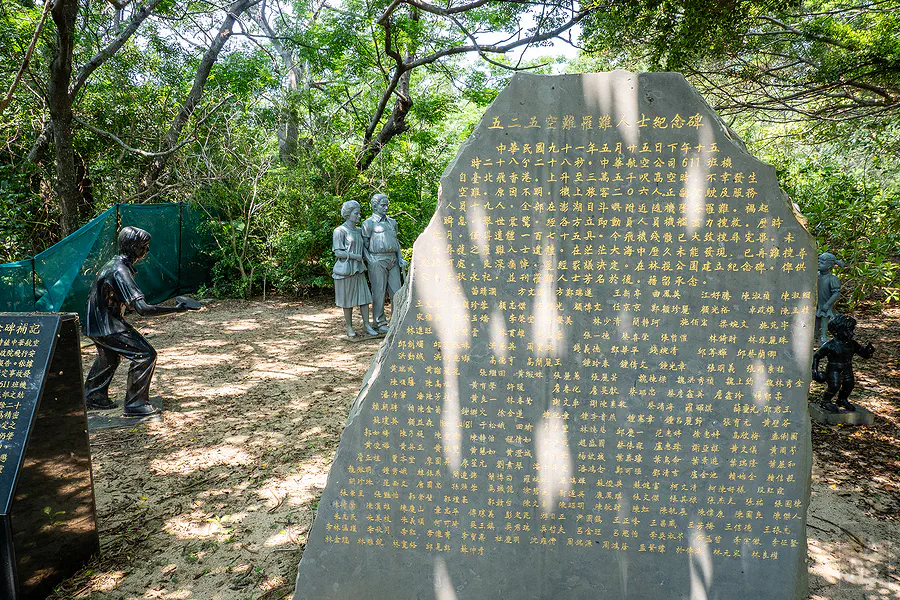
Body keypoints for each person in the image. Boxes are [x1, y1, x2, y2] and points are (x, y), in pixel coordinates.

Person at [84, 226, 198, 416]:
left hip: (98, 323)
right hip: (106, 325)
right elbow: (142, 309)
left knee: (109, 357)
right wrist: (176, 310)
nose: (147, 250)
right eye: (144, 246)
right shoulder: (120, 271)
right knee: (145, 355)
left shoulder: (117, 265)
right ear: (131, 247)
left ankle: (94, 396)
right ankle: (135, 404)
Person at [361, 193, 407, 333]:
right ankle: (379, 323)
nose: (386, 208)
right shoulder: (368, 223)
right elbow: (364, 245)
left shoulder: (392, 222)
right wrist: (371, 260)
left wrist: (400, 257)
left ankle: (396, 320)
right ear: (374, 206)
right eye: (383, 205)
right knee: (379, 292)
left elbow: (396, 242)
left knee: (397, 291)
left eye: (387, 205)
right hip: (377, 260)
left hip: (393, 259)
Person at [812, 314, 875, 412]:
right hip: (833, 368)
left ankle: (842, 399)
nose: (851, 333)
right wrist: (814, 371)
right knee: (834, 385)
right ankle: (825, 401)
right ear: (836, 331)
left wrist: (868, 351)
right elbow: (816, 356)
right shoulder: (830, 345)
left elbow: (863, 354)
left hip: (847, 367)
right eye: (847, 330)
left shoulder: (852, 344)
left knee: (849, 384)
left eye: (851, 330)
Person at [333, 201, 378, 338]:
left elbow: (365, 248)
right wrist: (354, 256)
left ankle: (367, 325)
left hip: (358, 270)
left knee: (364, 299)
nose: (359, 216)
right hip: (345, 271)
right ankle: (349, 327)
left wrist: (371, 260)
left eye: (359, 213)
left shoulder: (359, 231)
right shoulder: (339, 231)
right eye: (356, 213)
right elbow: (338, 252)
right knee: (347, 301)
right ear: (348, 214)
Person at [816, 252, 843, 345]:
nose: (819, 264)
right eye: (818, 262)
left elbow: (836, 293)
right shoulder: (816, 275)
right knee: (816, 318)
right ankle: (814, 334)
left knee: (824, 318)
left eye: (822, 263)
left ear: (829, 266)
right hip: (816, 302)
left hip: (825, 302)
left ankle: (823, 336)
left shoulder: (832, 279)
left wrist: (828, 304)